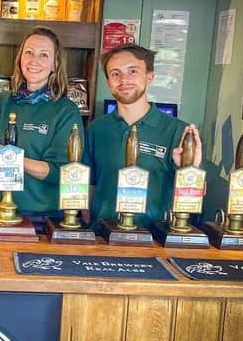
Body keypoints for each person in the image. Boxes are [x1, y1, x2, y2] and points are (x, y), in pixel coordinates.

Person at [0, 26, 84, 230]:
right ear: (20, 57)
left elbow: (60, 172)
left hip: (44, 221)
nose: (33, 60)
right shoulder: (1, 102)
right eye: (28, 52)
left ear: (55, 64)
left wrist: (5, 155)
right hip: (0, 213)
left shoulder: (65, 110)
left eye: (43, 55)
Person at [82, 43, 202, 231]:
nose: (124, 79)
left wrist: (190, 169)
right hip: (102, 235)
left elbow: (196, 198)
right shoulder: (97, 128)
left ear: (150, 76)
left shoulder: (178, 131)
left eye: (133, 71)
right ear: (108, 82)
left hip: (156, 237)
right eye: (115, 73)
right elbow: (90, 183)